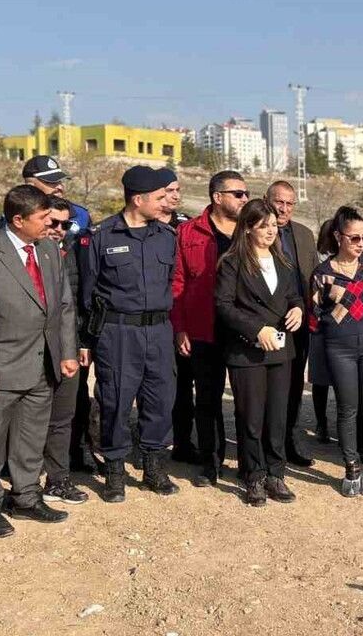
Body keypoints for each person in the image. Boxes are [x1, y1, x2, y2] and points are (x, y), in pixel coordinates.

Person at [0, 186, 78, 537]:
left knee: (31, 436)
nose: (51, 224)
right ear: (18, 219)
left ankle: (25, 496)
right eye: (43, 218)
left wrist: (66, 351)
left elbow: (64, 306)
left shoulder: (50, 250)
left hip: (43, 365)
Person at [78, 166, 179, 503]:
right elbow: (87, 293)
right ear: (138, 199)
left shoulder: (167, 236)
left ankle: (153, 467)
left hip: (159, 330)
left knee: (160, 400)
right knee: (116, 400)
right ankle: (116, 471)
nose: (166, 202)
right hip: (118, 332)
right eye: (159, 197)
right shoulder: (102, 236)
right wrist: (85, 341)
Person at [216, 199, 304, 507]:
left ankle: (275, 474)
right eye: (263, 225)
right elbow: (224, 306)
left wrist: (298, 310)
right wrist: (256, 329)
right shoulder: (232, 262)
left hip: (281, 350)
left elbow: (294, 295)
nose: (270, 230)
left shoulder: (282, 260)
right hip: (247, 352)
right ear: (248, 228)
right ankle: (253, 476)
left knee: (277, 416)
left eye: (273, 225)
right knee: (251, 416)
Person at [172, 171, 249, 486]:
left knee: (248, 401)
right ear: (217, 197)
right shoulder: (188, 232)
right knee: (207, 399)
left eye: (246, 193)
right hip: (204, 329)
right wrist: (180, 328)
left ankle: (249, 464)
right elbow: (178, 282)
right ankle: (210, 462)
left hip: (244, 330)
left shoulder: (252, 230)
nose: (245, 199)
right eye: (238, 193)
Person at [309, 207, 363, 497]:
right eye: (354, 238)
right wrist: (339, 328)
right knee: (347, 408)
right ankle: (351, 466)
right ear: (337, 236)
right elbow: (315, 313)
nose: (360, 244)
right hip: (338, 347)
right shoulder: (323, 273)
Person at [38, 197, 91, 506]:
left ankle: (58, 480)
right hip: (27, 351)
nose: (58, 229)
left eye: (64, 224)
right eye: (51, 222)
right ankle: (23, 483)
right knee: (27, 419)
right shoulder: (13, 254)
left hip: (67, 347)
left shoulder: (77, 252)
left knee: (62, 417)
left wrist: (81, 343)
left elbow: (83, 303)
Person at [268, 181, 320, 467]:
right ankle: (265, 445)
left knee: (293, 384)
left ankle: (288, 439)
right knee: (268, 385)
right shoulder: (255, 231)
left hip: (299, 322)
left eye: (289, 203)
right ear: (267, 200)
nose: (283, 208)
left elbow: (312, 276)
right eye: (279, 202)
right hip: (267, 322)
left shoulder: (303, 234)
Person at [157, 169, 197, 463]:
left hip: (181, 314)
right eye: (169, 190)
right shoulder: (136, 226)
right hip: (152, 316)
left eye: (177, 190)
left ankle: (183, 442)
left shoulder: (185, 226)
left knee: (183, 384)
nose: (175, 195)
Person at [308, 218, 337, 444]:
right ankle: (322, 423)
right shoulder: (320, 263)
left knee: (325, 381)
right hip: (321, 327)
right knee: (321, 380)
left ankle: (323, 423)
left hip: (325, 327)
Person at [22, 156, 90, 237]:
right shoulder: (18, 216)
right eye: (51, 182)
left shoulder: (80, 214)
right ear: (31, 186)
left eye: (59, 181)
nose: (59, 187)